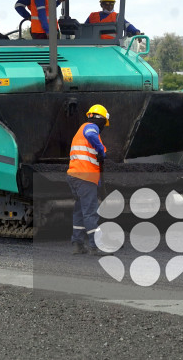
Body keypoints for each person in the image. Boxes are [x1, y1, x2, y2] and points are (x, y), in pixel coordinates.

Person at [66, 104, 110, 255]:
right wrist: (101, 151)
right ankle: (96, 246)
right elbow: (92, 136)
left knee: (79, 211)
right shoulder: (91, 127)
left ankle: (78, 244)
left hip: (75, 176)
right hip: (84, 177)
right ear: (101, 119)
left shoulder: (81, 130)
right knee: (90, 212)